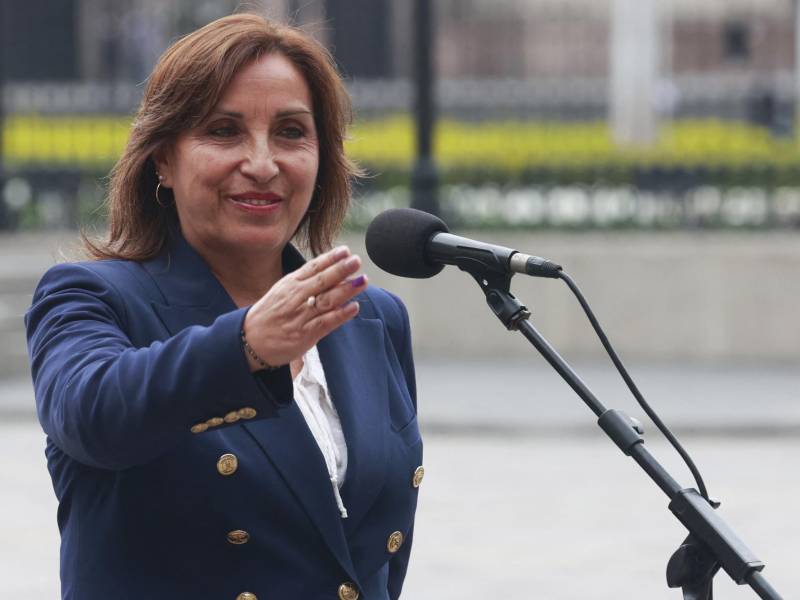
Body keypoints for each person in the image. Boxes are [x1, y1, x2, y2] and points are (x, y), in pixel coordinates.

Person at [25, 13, 422, 600]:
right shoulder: (93, 297)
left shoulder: (372, 317)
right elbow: (93, 416)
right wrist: (247, 348)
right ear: (163, 158)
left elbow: (371, 557)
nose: (262, 163)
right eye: (224, 131)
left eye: (291, 132)